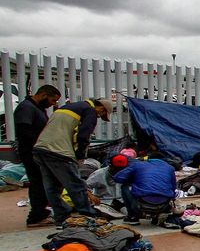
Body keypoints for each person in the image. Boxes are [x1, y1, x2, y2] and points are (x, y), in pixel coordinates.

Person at [32, 98, 112, 228]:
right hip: (59, 151)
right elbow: (83, 135)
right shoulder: (90, 111)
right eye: (100, 115)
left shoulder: (68, 107)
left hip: (41, 149)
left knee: (52, 187)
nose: (98, 117)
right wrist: (80, 155)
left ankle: (61, 217)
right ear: (101, 108)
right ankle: (89, 215)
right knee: (75, 184)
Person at [13, 84, 61, 227]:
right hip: (32, 152)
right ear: (44, 95)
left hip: (38, 151)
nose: (53, 104)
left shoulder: (37, 108)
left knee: (42, 182)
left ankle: (40, 212)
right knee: (38, 183)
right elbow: (24, 131)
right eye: (53, 100)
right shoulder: (26, 108)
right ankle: (36, 216)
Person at [113, 156, 177, 225]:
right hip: (164, 205)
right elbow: (173, 188)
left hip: (141, 204)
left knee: (125, 186)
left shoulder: (138, 164)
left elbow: (117, 178)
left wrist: (133, 179)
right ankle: (158, 215)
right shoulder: (170, 168)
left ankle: (132, 217)